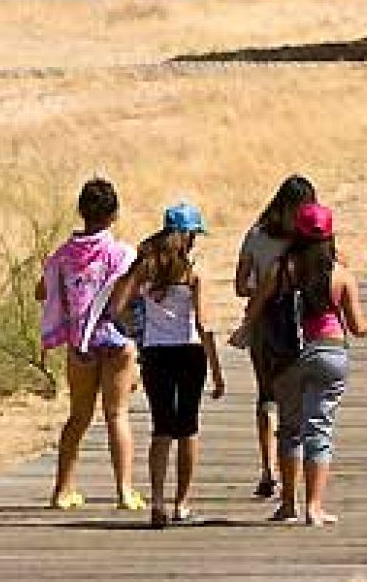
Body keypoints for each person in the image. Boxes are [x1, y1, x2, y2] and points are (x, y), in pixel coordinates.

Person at [247, 203, 367, 526]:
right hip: (330, 352)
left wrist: (249, 330)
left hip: (288, 355)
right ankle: (314, 506)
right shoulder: (340, 275)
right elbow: (358, 328)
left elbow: (255, 307)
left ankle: (287, 505)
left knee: (289, 430)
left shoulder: (282, 269)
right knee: (319, 430)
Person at [110, 203, 226, 528]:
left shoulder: (145, 269)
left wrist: (136, 332)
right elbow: (203, 324)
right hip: (189, 353)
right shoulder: (192, 273)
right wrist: (216, 370)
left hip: (156, 353)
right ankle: (182, 503)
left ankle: (157, 501)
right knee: (188, 429)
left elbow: (116, 307)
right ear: (187, 236)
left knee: (161, 428)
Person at [36, 178, 145, 512]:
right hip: (115, 341)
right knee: (117, 414)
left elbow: (43, 292)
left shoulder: (63, 256)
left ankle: (62, 490)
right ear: (114, 214)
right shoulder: (122, 254)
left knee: (78, 417)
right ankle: (125, 491)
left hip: (80, 344)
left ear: (81, 212)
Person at [234, 175, 316, 501]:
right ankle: (291, 473)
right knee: (298, 399)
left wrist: (264, 293)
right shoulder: (309, 239)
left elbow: (240, 286)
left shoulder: (255, 236)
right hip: (301, 324)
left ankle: (268, 469)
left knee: (266, 396)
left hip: (263, 323)